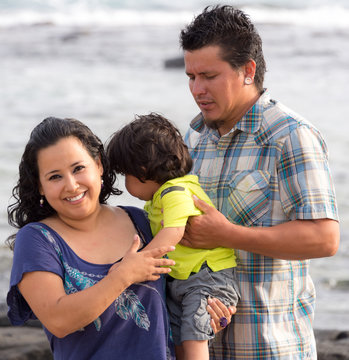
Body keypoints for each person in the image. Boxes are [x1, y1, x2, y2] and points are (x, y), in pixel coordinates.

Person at [179, 5, 340, 360]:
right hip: (202, 347)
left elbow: (324, 239)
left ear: (248, 70)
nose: (197, 89)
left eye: (209, 75)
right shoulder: (194, 137)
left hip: (271, 348)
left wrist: (226, 234)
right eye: (191, 76)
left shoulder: (290, 136)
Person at [6, 117, 177, 360]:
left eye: (78, 169)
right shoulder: (37, 240)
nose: (72, 185)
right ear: (40, 186)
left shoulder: (141, 221)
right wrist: (122, 276)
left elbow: (181, 287)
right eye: (55, 177)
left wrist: (210, 302)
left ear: (98, 165)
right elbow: (58, 320)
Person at [106, 113, 240, 360]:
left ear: (144, 170)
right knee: (178, 336)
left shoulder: (176, 192)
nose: (126, 184)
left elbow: (172, 233)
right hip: (185, 279)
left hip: (207, 277)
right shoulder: (159, 198)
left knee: (193, 337)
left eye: (127, 175)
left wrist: (135, 263)